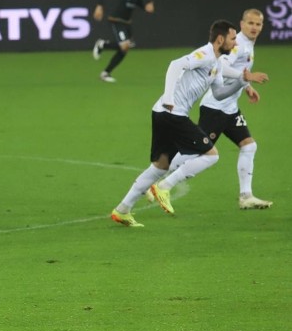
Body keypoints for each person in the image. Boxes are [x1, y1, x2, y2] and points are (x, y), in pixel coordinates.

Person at [110, 20, 268, 227]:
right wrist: (168, 97)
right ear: (220, 39)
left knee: (160, 165)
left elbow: (219, 94)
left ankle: (122, 210)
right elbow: (175, 65)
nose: (235, 43)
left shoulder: (218, 63)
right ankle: (165, 187)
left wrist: (242, 81)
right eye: (232, 39)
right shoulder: (205, 54)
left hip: (162, 113)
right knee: (211, 155)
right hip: (171, 113)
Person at [198, 9, 272, 210]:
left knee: (249, 146)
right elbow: (220, 66)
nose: (254, 27)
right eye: (250, 23)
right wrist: (246, 77)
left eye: (258, 24)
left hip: (229, 108)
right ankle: (161, 182)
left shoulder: (247, 45)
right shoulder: (238, 45)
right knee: (197, 153)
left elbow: (238, 73)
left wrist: (247, 87)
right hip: (216, 107)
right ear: (241, 24)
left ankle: (246, 196)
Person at [91, 0, 154, 83]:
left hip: (127, 21)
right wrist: (99, 5)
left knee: (125, 48)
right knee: (124, 45)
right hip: (116, 18)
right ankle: (102, 44)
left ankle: (105, 73)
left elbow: (138, 0)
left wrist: (145, 6)